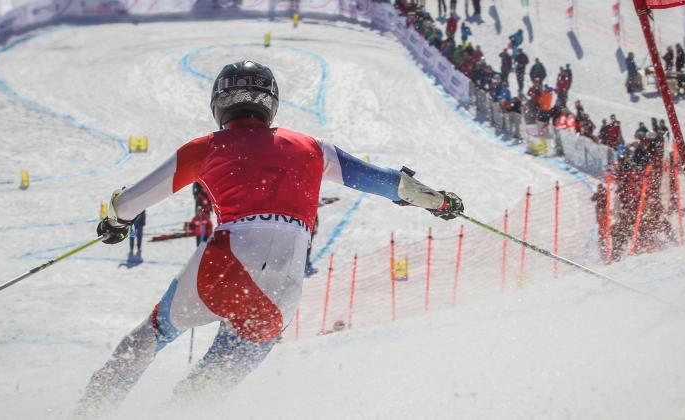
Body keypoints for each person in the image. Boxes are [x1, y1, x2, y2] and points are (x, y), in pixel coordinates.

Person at [75, 60, 465, 416]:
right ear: (271, 104)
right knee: (205, 389)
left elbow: (129, 203)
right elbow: (384, 181)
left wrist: (115, 222)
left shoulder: (206, 147)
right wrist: (438, 200)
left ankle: (89, 410)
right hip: (284, 286)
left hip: (227, 259)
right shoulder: (313, 147)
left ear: (218, 103)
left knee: (153, 335)